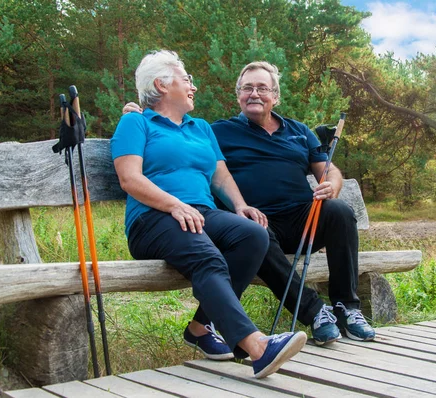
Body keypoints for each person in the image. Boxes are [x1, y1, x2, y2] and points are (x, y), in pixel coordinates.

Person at [123, 61, 375, 346]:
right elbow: (176, 132)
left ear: (275, 96)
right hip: (258, 220)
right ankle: (315, 312)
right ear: (238, 95)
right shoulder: (219, 131)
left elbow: (328, 170)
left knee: (340, 212)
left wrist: (333, 184)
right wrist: (142, 113)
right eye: (247, 88)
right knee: (255, 231)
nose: (254, 94)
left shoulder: (300, 131)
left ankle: (347, 308)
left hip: (302, 220)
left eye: (262, 88)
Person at [111, 50, 306, 379]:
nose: (193, 86)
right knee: (207, 256)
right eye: (186, 79)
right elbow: (130, 178)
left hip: (200, 213)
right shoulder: (135, 122)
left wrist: (240, 205)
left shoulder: (200, 128)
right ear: (161, 84)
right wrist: (173, 204)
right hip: (152, 219)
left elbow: (220, 175)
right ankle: (257, 346)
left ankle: (201, 328)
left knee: (253, 235)